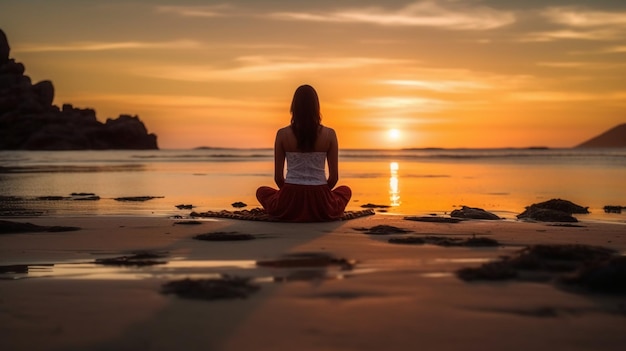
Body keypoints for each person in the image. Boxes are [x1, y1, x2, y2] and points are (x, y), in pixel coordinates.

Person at [256, 84, 352, 222]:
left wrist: (292, 194)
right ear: (316, 107)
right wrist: (319, 194)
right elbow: (333, 178)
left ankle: (293, 208)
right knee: (345, 190)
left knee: (262, 191)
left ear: (293, 107)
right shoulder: (329, 134)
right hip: (321, 201)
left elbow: (278, 178)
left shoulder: (282, 134)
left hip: (290, 198)